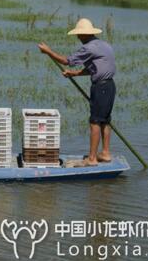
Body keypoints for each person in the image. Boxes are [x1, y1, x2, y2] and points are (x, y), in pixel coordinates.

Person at [38, 18, 116, 166]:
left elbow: (66, 61)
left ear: (85, 34)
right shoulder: (103, 45)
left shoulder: (89, 48)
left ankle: (92, 159)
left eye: (79, 35)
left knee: (95, 122)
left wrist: (48, 51)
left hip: (101, 88)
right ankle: (105, 153)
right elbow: (96, 68)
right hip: (110, 86)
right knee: (105, 120)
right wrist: (75, 74)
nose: (78, 37)